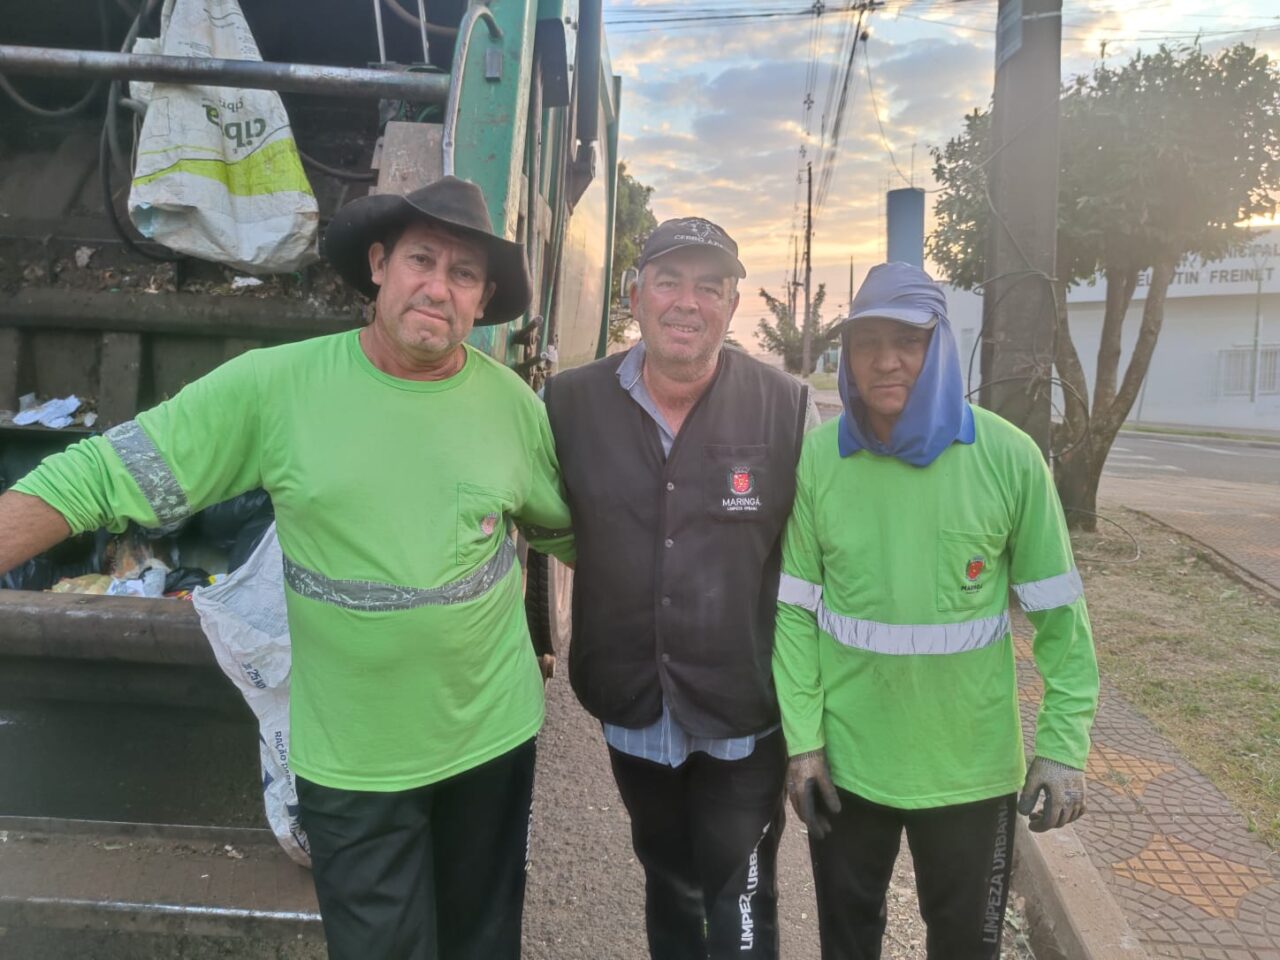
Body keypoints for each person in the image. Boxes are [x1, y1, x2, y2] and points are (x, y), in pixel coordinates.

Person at [0, 176, 574, 960]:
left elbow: (573, 531)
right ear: (380, 264)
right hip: (352, 760)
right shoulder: (277, 388)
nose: (438, 288)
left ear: (484, 299)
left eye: (464, 273)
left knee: (481, 946)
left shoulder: (511, 407)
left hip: (492, 743)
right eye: (422, 260)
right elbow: (103, 473)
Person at [773, 261, 1099, 960]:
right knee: (847, 943)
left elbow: (1060, 619)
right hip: (849, 766)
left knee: (965, 947)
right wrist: (803, 743)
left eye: (908, 341)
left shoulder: (1009, 459)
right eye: (866, 343)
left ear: (941, 345)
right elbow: (794, 615)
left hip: (971, 773)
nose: (885, 360)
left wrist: (1062, 748)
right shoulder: (818, 461)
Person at [544, 217, 818, 960]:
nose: (687, 302)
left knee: (741, 896)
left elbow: (817, 564)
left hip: (744, 711)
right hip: (632, 704)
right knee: (667, 882)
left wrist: (816, 723)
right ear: (636, 295)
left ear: (733, 305)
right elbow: (532, 512)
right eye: (668, 281)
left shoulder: (786, 407)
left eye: (710, 286)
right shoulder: (568, 404)